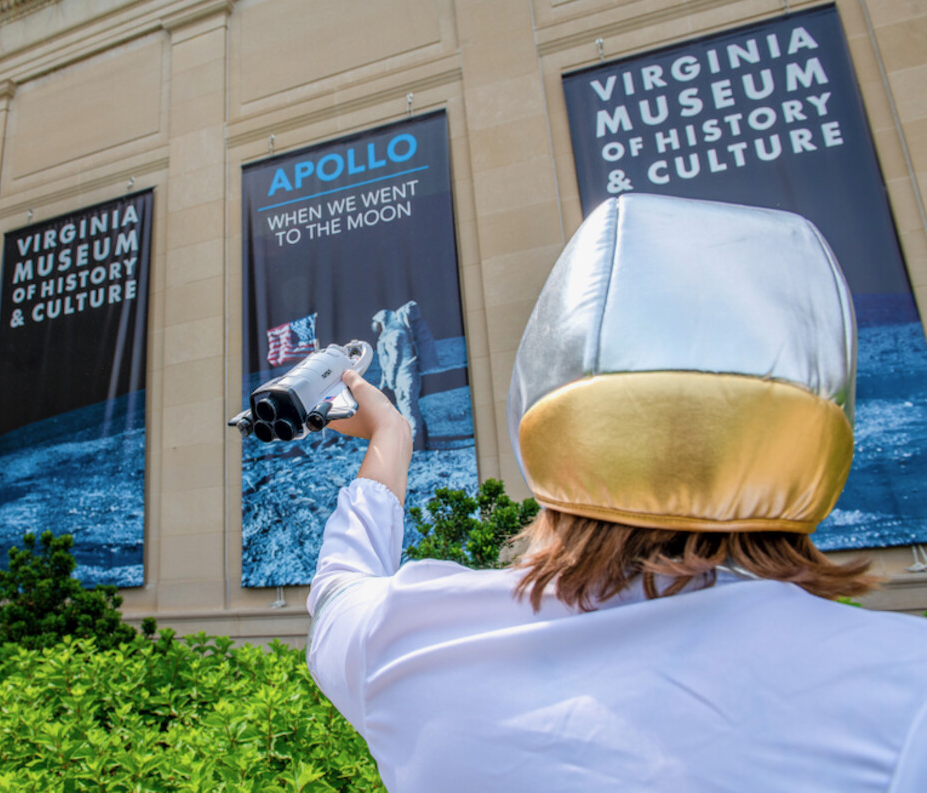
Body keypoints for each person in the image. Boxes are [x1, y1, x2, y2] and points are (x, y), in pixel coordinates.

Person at [307, 194, 927, 792]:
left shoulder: (412, 640)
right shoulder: (904, 690)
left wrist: (390, 432)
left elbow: (339, 591)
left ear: (547, 417)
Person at [372, 303, 430, 450]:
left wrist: (390, 382)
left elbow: (394, 362)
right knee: (410, 410)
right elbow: (387, 366)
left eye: (378, 325)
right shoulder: (395, 335)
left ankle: (416, 444)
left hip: (404, 378)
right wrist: (383, 384)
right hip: (404, 378)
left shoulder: (395, 336)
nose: (376, 329)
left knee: (409, 410)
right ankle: (422, 438)